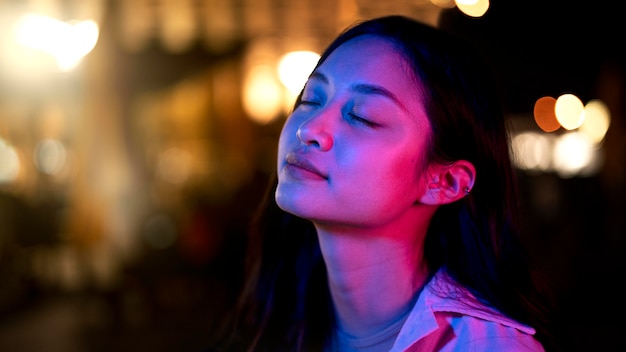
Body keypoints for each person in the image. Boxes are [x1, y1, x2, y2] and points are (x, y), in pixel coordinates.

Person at [214, 14, 559, 352]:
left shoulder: (487, 346)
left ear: (446, 181)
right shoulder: (277, 321)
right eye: (311, 99)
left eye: (363, 116)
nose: (308, 129)